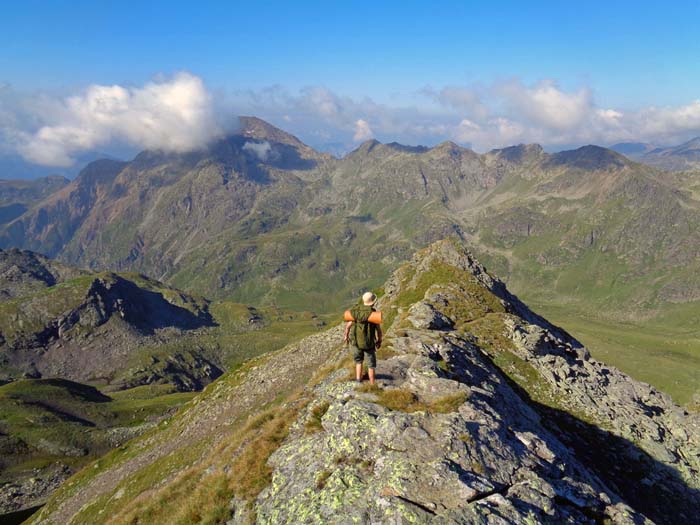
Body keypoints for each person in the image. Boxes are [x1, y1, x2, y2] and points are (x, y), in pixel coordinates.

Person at [343, 291, 382, 384]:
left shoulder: (355, 311)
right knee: (371, 365)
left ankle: (358, 380)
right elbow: (378, 330)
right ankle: (372, 384)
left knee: (359, 361)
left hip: (356, 342)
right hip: (369, 344)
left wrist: (346, 336)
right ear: (373, 302)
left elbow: (348, 326)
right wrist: (379, 340)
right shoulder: (374, 315)